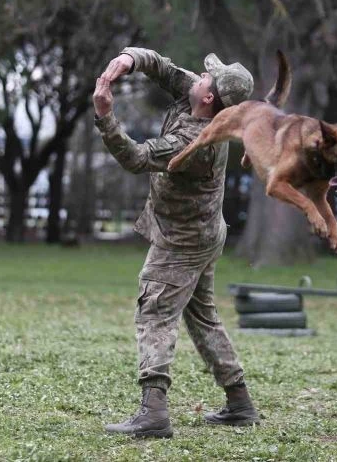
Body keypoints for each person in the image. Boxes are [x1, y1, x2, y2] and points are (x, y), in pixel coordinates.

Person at [93, 47, 259, 439]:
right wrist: (130, 59)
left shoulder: (196, 141)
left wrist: (104, 115)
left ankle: (153, 412)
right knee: (202, 316)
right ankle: (240, 403)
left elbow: (135, 158)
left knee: (155, 311)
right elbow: (163, 68)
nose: (197, 75)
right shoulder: (203, 98)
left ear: (208, 98)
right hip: (203, 232)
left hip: (183, 241)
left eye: (205, 77)